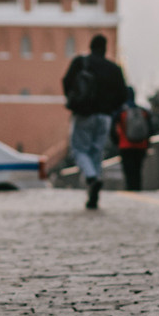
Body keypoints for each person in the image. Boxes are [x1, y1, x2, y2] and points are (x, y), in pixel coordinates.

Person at [62, 34, 128, 210]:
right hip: (105, 117)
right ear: (105, 49)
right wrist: (109, 108)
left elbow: (66, 81)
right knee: (96, 153)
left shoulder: (81, 63)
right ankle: (93, 195)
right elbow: (123, 95)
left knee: (79, 150)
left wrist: (74, 100)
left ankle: (91, 178)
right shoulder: (114, 69)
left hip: (84, 114)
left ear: (90, 47)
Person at [115, 97, 155, 192]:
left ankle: (130, 188)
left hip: (125, 146)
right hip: (141, 145)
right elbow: (150, 129)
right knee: (138, 169)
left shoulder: (121, 112)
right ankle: (137, 188)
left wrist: (117, 143)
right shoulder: (143, 112)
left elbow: (114, 130)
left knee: (128, 170)